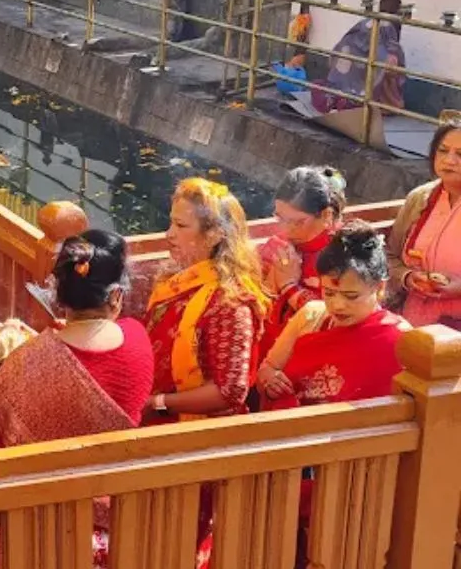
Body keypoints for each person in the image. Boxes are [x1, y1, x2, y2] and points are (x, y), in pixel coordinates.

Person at [0, 230, 153, 569]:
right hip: (115, 525)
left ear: (59, 295)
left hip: (36, 526)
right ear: (116, 296)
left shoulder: (30, 359)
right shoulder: (138, 342)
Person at [0, 229, 153, 442]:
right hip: (119, 472)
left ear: (59, 294)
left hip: (42, 474)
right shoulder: (137, 337)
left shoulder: (26, 361)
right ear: (116, 295)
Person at [145, 178, 268, 422]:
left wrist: (158, 403)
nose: (169, 234)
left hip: (197, 433)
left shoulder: (231, 302)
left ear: (214, 235)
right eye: (171, 222)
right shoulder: (177, 278)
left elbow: (229, 391)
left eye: (180, 226)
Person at [258, 222, 409, 408]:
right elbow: (268, 369)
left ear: (379, 288)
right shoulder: (311, 316)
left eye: (351, 296)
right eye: (328, 293)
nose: (337, 305)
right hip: (297, 429)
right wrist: (271, 383)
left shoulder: (401, 338)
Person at [258, 167, 347, 360]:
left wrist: (290, 287)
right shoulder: (276, 245)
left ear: (325, 215)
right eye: (281, 218)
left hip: (316, 353)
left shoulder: (344, 254)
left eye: (298, 222)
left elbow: (337, 314)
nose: (286, 229)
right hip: (270, 350)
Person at [386, 117, 461, 327]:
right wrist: (408, 277)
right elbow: (389, 255)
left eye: (460, 154)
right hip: (410, 321)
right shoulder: (420, 198)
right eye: (443, 151)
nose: (449, 160)